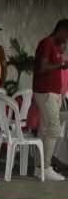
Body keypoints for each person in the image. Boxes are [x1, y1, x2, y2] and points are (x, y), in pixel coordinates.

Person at [32, 19, 68, 181]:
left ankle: (40, 167)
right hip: (46, 92)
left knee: (45, 130)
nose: (66, 40)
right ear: (62, 31)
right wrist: (61, 65)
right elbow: (42, 68)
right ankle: (46, 167)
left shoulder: (53, 46)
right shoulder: (46, 44)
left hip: (52, 93)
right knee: (54, 129)